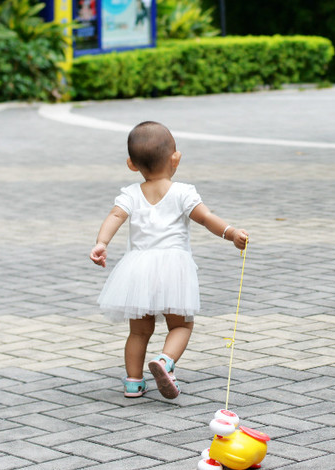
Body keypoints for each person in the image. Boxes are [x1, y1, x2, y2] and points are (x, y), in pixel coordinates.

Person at [90, 121, 248, 400]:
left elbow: (114, 216)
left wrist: (102, 244)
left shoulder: (130, 193)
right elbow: (206, 218)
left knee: (139, 332)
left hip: (138, 269)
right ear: (175, 159)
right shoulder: (183, 192)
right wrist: (231, 232)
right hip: (174, 269)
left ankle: (133, 382)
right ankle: (165, 362)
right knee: (181, 325)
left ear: (131, 164)